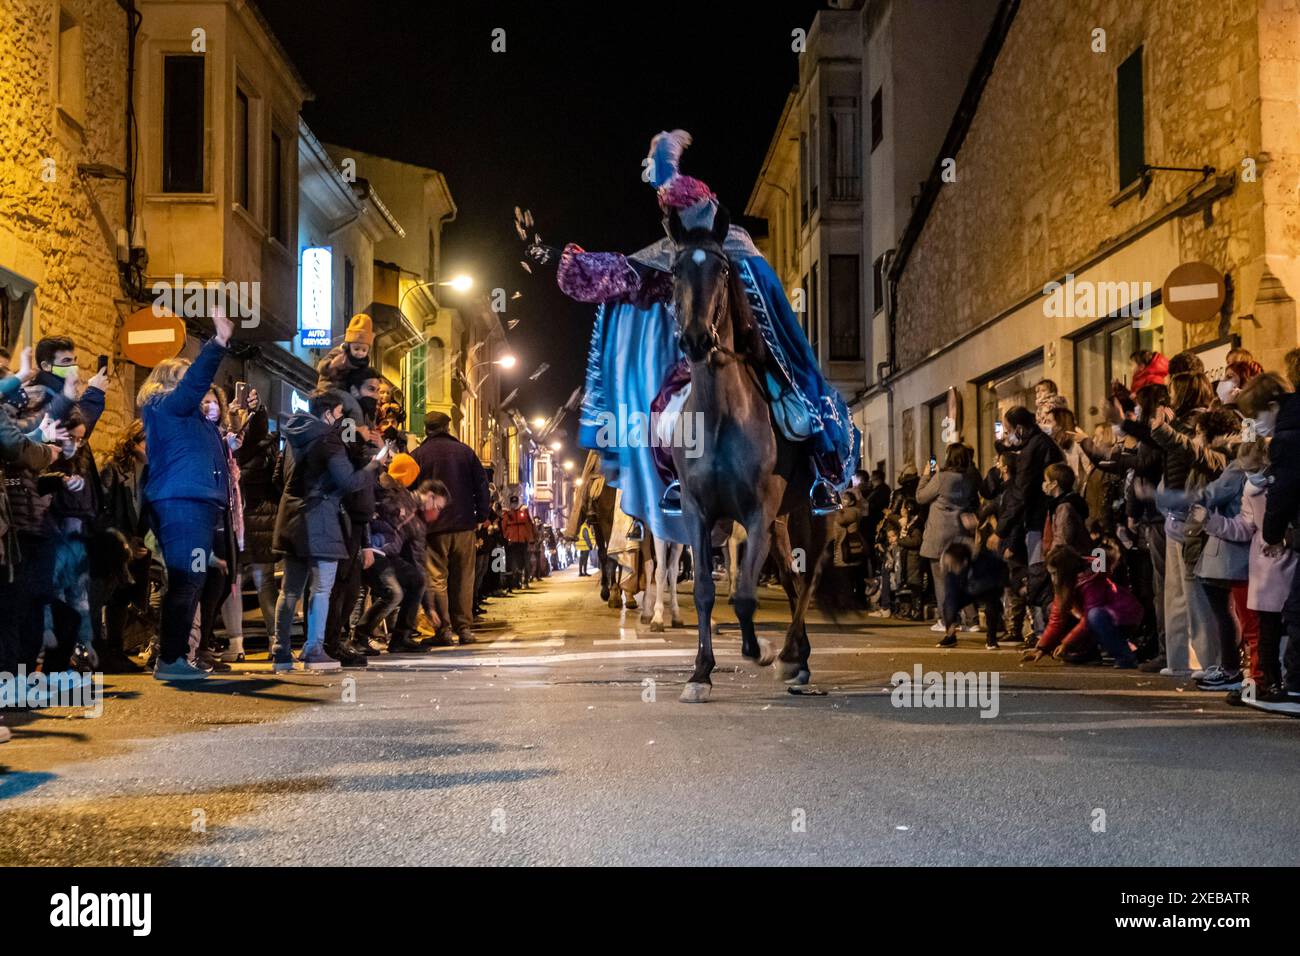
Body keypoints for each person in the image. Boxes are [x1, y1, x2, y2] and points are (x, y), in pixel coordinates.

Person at [539, 130, 857, 543]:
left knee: (798, 404)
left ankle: (818, 477)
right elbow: (629, 274)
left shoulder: (738, 246)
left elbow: (771, 312)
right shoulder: (676, 252)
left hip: (752, 352)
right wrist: (569, 262)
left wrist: (666, 165)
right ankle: (671, 484)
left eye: (676, 207)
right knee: (659, 415)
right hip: (696, 357)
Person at [138, 313, 234, 681]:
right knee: (186, 579)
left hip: (196, 502)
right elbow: (193, 385)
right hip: (183, 503)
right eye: (184, 379)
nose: (200, 394)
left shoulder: (190, 418)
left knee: (192, 578)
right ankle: (172, 659)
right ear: (167, 383)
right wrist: (217, 344)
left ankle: (177, 657)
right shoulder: (167, 405)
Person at [270, 389, 389, 672]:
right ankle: (313, 649)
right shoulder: (328, 439)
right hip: (320, 522)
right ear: (329, 413)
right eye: (339, 415)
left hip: (290, 519)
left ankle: (281, 652)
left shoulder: (292, 437)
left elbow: (278, 479)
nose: (341, 421)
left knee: (289, 590)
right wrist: (374, 466)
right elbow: (348, 482)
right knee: (322, 589)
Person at [411, 412, 490, 646]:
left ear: (427, 430)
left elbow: (411, 489)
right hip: (464, 524)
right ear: (448, 427)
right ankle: (464, 628)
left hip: (433, 527)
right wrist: (482, 515)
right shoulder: (466, 452)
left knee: (436, 579)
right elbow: (482, 485)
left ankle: (442, 630)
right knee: (464, 577)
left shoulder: (418, 455)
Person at [359, 454, 446, 654]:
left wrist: (429, 607)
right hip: (373, 550)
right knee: (393, 593)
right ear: (430, 496)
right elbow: (374, 509)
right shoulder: (397, 496)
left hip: (387, 553)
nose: (437, 512)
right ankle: (360, 635)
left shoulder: (415, 518)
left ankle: (400, 636)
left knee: (416, 579)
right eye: (438, 506)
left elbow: (418, 560)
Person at [994, 404, 1065, 645]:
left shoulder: (1035, 448)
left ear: (1021, 428)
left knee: (1039, 576)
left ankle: (1046, 633)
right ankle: (1043, 631)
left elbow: (1021, 492)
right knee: (1037, 576)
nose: (1008, 434)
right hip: (1037, 519)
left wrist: (1001, 530)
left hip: (1040, 520)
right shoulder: (1035, 445)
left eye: (1009, 429)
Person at [227, 389, 279, 661]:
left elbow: (256, 428)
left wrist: (257, 410)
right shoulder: (236, 445)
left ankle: (254, 643)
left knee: (249, 582)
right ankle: (260, 642)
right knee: (248, 583)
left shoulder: (250, 446)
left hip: (247, 521)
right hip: (250, 521)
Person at [1023, 546, 1140, 667]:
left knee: (1095, 615)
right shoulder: (1067, 583)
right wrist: (1042, 647)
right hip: (1105, 617)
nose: (1053, 579)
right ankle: (1084, 652)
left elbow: (1088, 620)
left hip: (1123, 617)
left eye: (1054, 574)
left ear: (1064, 571)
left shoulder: (1091, 581)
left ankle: (1124, 657)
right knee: (1054, 608)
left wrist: (1066, 643)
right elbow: (1056, 617)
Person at [97, 420, 151, 672]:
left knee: (124, 597)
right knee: (112, 597)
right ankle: (109, 652)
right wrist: (125, 541)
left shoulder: (150, 470)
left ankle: (116, 650)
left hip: (135, 544)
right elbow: (104, 510)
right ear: (135, 440)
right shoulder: (114, 467)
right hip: (114, 544)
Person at [917, 443, 980, 633]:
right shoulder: (969, 479)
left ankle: (948, 620)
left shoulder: (942, 477)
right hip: (960, 533)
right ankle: (973, 619)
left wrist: (926, 475)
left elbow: (921, 497)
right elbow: (975, 502)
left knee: (941, 580)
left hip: (940, 533)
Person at [935, 538, 1007, 649]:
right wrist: (950, 622)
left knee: (992, 605)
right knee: (948, 604)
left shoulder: (985, 563)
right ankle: (950, 636)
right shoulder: (952, 572)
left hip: (988, 586)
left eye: (953, 564)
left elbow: (999, 578)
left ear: (964, 562)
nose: (950, 567)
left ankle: (991, 639)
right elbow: (951, 598)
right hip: (968, 589)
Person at [316, 313, 375, 392]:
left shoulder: (364, 362)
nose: (360, 353)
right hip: (328, 389)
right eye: (356, 349)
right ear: (349, 346)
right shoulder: (340, 352)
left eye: (364, 350)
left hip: (346, 390)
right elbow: (320, 367)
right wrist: (332, 364)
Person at [501, 495, 535, 589]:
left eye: (515, 502)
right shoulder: (507, 514)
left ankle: (519, 580)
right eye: (513, 503)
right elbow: (503, 528)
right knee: (512, 562)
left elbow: (528, 526)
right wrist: (505, 538)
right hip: (512, 542)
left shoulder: (523, 513)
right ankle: (512, 583)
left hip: (522, 541)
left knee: (522, 562)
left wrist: (530, 539)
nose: (514, 504)